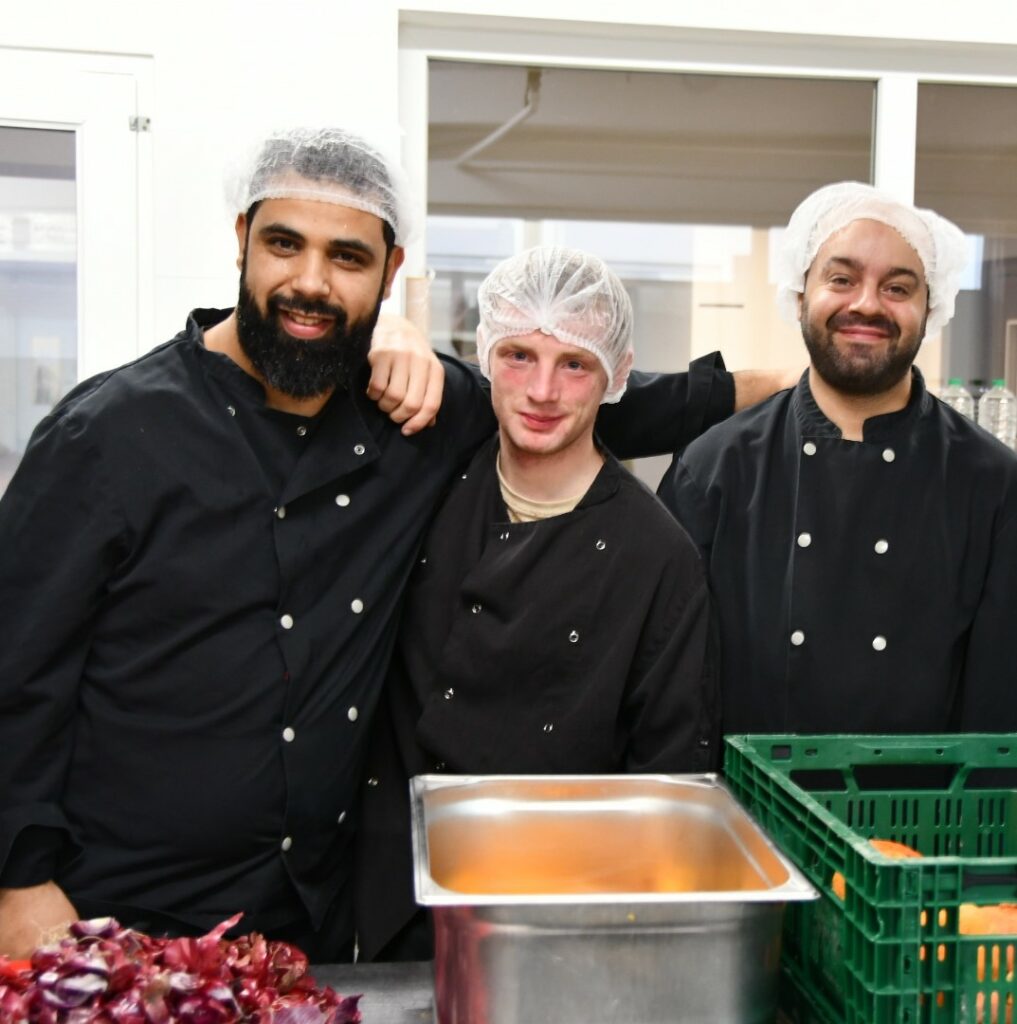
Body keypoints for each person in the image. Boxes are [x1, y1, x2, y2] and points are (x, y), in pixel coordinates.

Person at [0, 127, 773, 961]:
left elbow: (568, 400)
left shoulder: (414, 419)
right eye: (284, 244)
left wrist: (772, 388)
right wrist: (18, 878)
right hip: (115, 914)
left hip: (311, 921)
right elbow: (18, 670)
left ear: (390, 272)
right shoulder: (105, 435)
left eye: (347, 258)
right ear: (240, 242)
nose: (310, 282)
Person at [354, 246, 718, 963]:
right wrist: (389, 328)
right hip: (390, 892)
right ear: (485, 356)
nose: (542, 390)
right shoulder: (427, 481)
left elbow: (669, 782)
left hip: (554, 920)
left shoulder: (657, 558)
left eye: (574, 363)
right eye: (518, 355)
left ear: (614, 375)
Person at [658, 181, 1017, 736]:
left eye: (898, 287)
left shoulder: (991, 483)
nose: (867, 304)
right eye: (841, 279)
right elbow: (672, 685)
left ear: (931, 308)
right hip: (750, 811)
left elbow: (998, 701)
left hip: (923, 818)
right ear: (801, 295)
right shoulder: (715, 467)